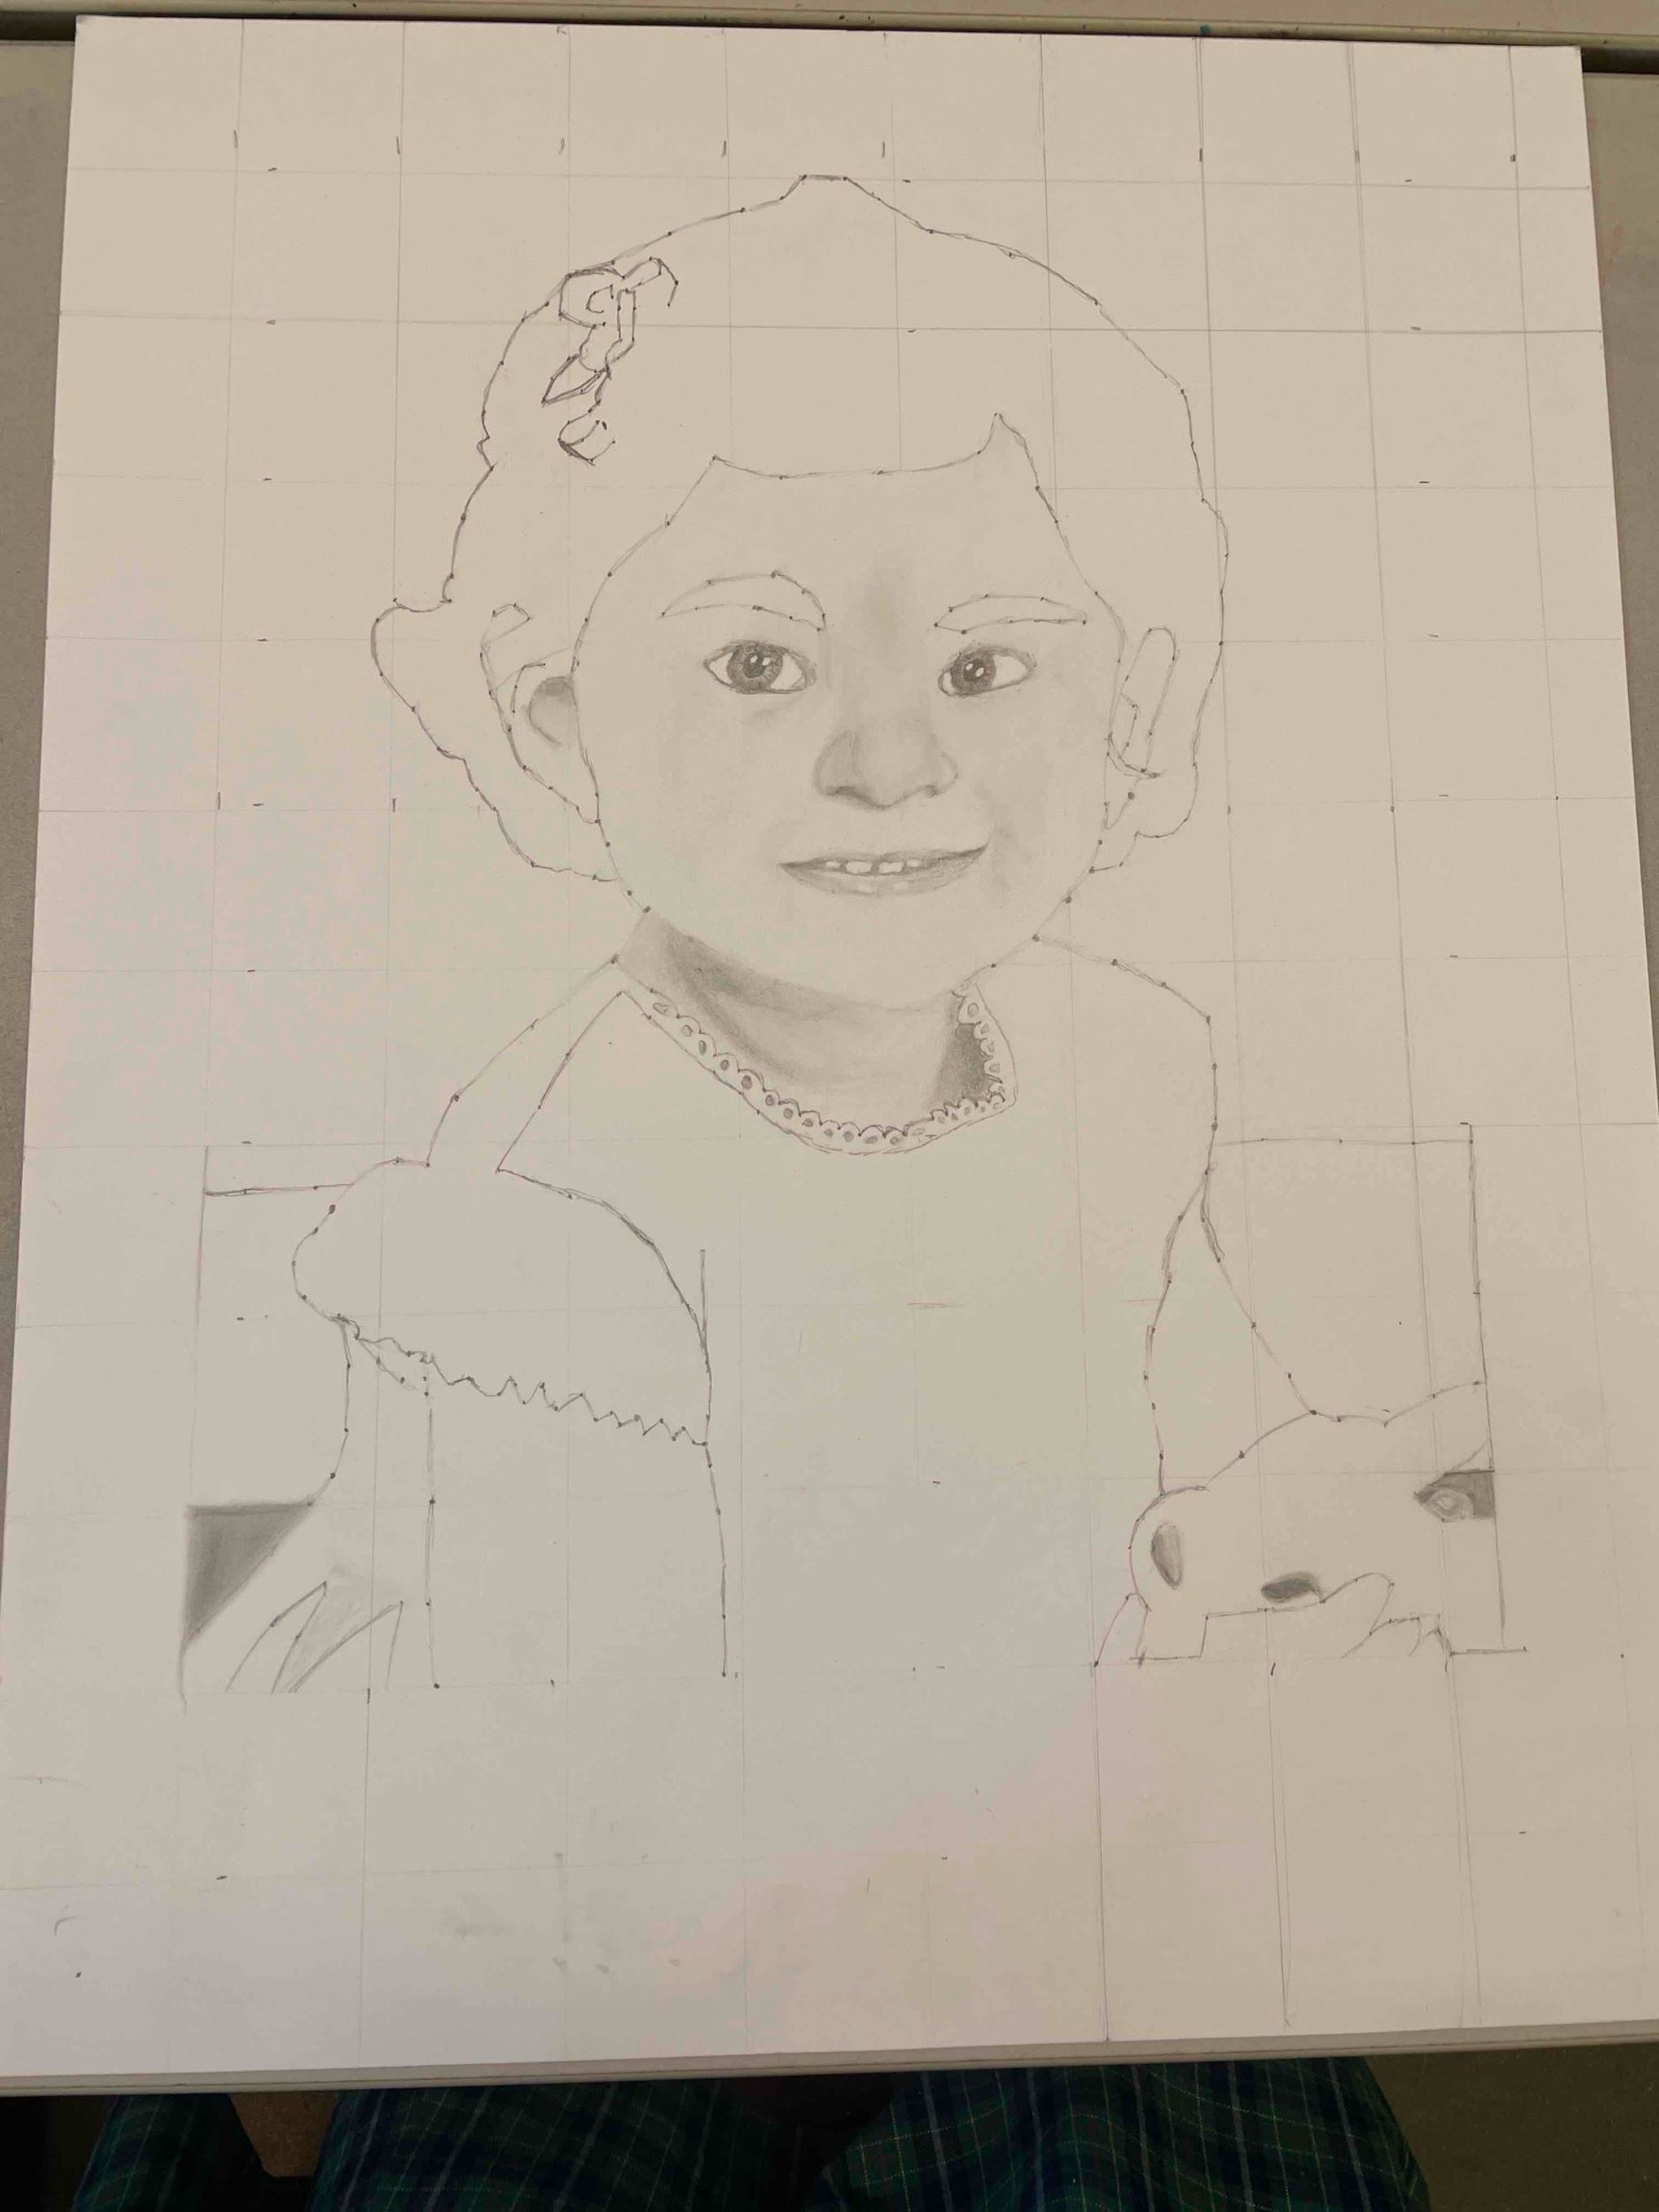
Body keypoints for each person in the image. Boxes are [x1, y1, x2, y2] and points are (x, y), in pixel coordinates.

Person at [184, 176, 1477, 2070]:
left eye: (984, 665)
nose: (891, 762)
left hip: (1085, 1917)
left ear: (1136, 700)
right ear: (552, 718)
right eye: (757, 664)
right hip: (661, 1973)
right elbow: (586, 1795)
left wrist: (1367, 1517)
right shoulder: (541, 1208)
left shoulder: (1124, 1058)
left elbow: (1215, 1457)